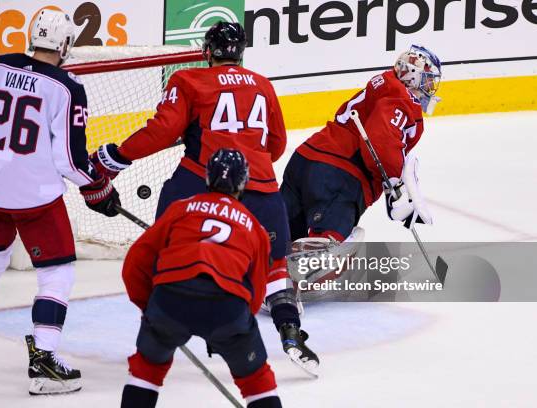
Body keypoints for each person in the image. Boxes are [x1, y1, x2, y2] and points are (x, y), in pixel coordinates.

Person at [91, 21, 318, 374]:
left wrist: (117, 157)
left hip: (201, 179)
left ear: (207, 51)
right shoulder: (263, 84)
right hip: (261, 185)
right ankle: (291, 332)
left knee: (165, 243)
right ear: (240, 53)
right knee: (275, 266)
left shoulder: (188, 80)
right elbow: (275, 146)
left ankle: (159, 326)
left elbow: (163, 129)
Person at [0, 9, 120, 395]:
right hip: (36, 198)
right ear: (64, 45)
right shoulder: (67, 87)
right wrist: (99, 188)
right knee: (57, 273)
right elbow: (71, 162)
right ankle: (43, 363)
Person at [121, 149, 282, 408]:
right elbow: (256, 290)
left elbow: (135, 263)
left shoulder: (181, 209)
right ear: (244, 182)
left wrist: (150, 308)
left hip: (170, 300)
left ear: (207, 177)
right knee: (257, 380)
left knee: (146, 370)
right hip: (227, 307)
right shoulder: (254, 227)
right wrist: (233, 328)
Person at [281, 45, 441, 246]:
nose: (429, 87)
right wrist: (395, 185)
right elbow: (382, 141)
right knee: (323, 257)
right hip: (339, 176)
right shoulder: (402, 98)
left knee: (277, 247)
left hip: (304, 161)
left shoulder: (383, 87)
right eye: (427, 79)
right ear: (413, 76)